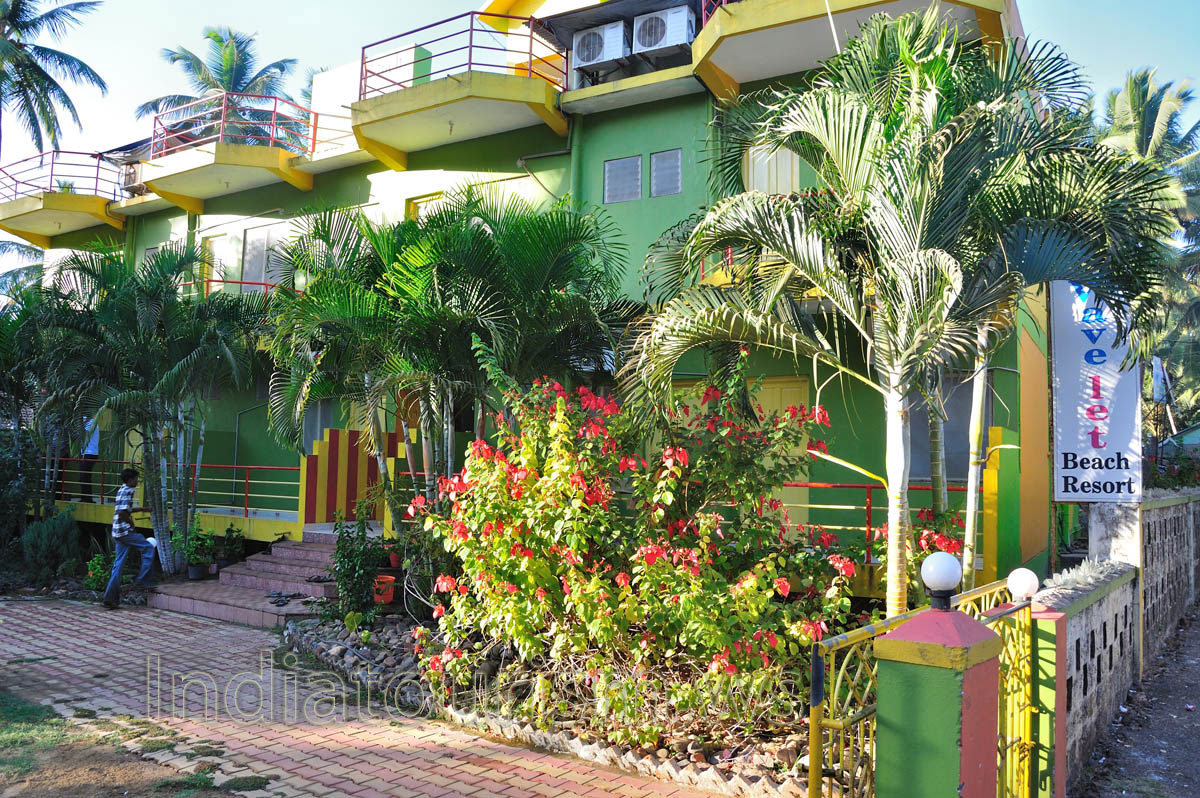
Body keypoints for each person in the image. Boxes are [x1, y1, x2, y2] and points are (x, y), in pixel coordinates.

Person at [102, 468, 156, 609]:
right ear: (130, 479)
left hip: (117, 532)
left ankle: (110, 598)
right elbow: (122, 513)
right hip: (125, 532)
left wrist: (143, 509)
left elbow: (126, 509)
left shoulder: (122, 489)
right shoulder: (129, 491)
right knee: (148, 547)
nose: (137, 481)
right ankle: (143, 581)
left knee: (118, 566)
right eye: (135, 479)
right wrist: (131, 524)